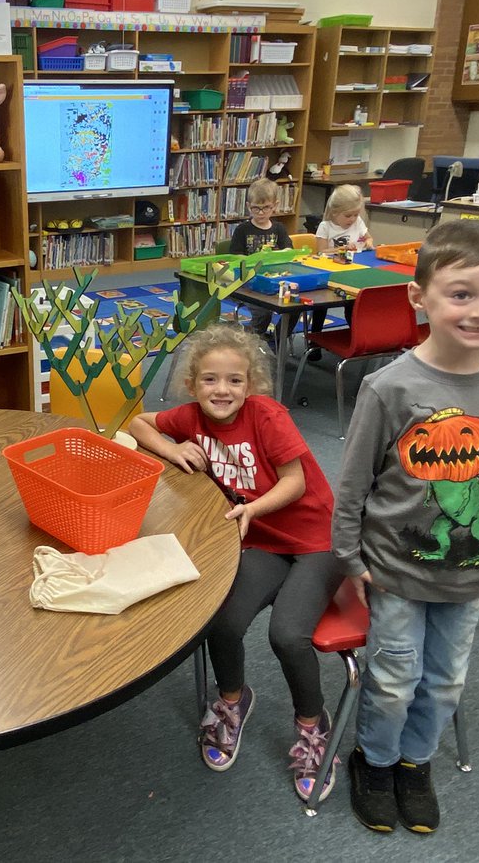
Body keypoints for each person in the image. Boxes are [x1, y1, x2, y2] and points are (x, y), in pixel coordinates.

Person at [333, 219, 479, 834]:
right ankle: (375, 760)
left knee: (445, 682)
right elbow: (354, 483)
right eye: (462, 293)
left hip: (469, 571)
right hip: (396, 568)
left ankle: (415, 764)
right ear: (420, 296)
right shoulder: (389, 387)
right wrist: (350, 558)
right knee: (395, 678)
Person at [129, 324, 342, 801]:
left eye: (234, 381)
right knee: (220, 621)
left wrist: (251, 508)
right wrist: (173, 448)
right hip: (263, 540)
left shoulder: (267, 415)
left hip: (316, 539)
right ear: (192, 384)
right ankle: (232, 701)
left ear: (251, 385)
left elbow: (296, 483)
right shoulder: (190, 418)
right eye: (210, 380)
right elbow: (137, 424)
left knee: (287, 635)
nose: (222, 390)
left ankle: (312, 724)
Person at [229, 177, 293, 255]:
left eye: (266, 207)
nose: (261, 213)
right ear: (248, 206)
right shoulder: (241, 230)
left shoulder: (279, 228)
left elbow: (288, 249)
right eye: (256, 208)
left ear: (275, 205)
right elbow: (235, 256)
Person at [315, 184, 374, 254]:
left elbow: (369, 238)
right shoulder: (325, 227)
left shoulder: (357, 221)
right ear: (334, 212)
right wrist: (344, 248)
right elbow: (322, 251)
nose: (352, 219)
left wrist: (368, 242)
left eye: (356, 215)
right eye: (348, 216)